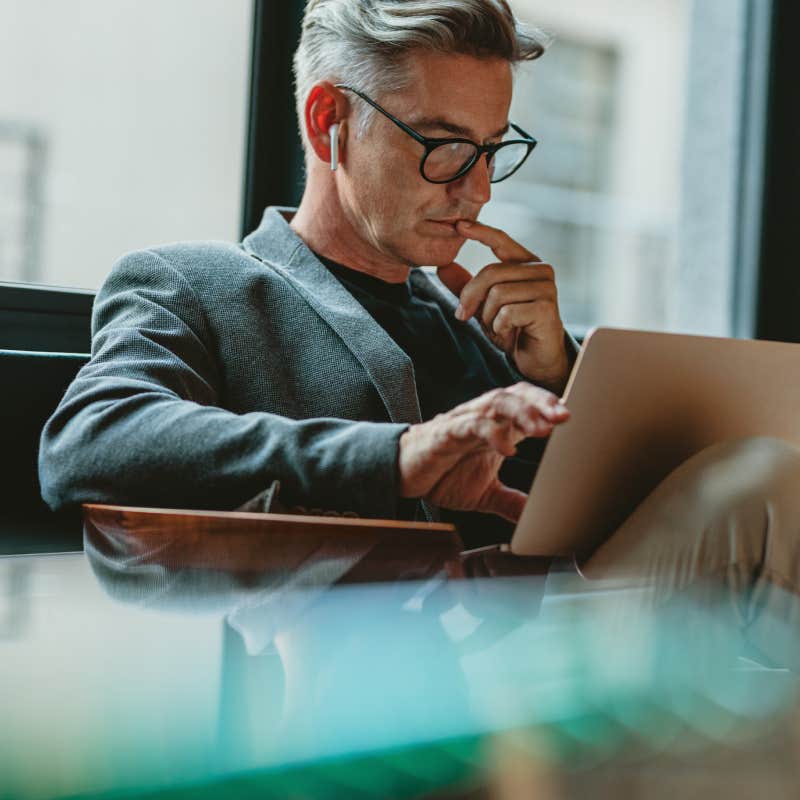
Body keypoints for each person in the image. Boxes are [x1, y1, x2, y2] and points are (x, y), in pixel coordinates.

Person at [38, 0, 800, 644]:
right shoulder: (198, 285)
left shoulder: (485, 323)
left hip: (566, 635)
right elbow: (90, 442)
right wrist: (399, 455)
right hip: (392, 663)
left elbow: (614, 525)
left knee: (768, 482)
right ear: (327, 119)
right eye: (443, 146)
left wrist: (561, 376)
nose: (477, 191)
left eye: (493, 150)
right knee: (770, 486)